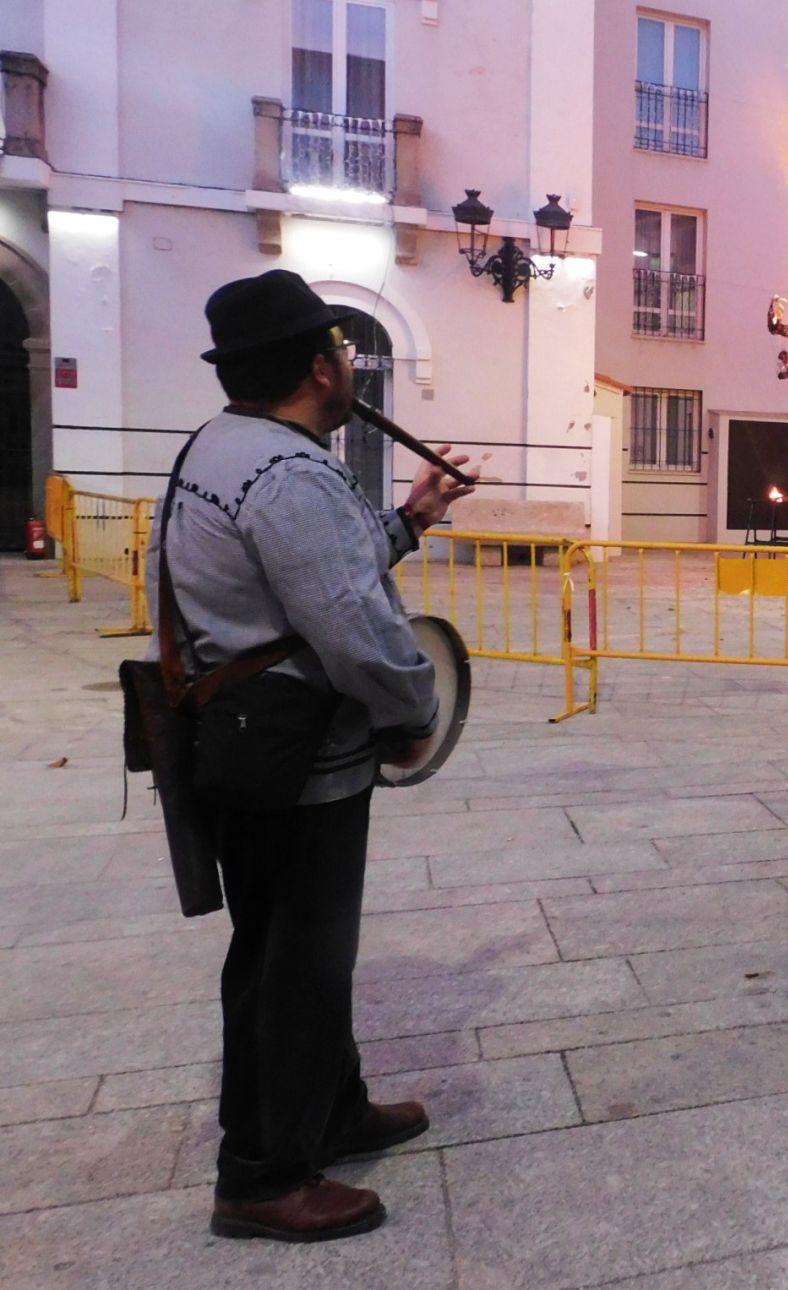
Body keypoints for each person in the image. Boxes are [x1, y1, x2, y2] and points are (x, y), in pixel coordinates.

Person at [156, 270, 474, 1240]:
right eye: (340, 350)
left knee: (297, 953)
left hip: (253, 746)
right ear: (316, 367)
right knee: (294, 962)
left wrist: (411, 518)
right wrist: (418, 707)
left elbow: (323, 572)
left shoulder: (223, 447)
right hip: (298, 764)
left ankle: (331, 1108)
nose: (348, 365)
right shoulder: (288, 472)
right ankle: (260, 1175)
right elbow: (352, 626)